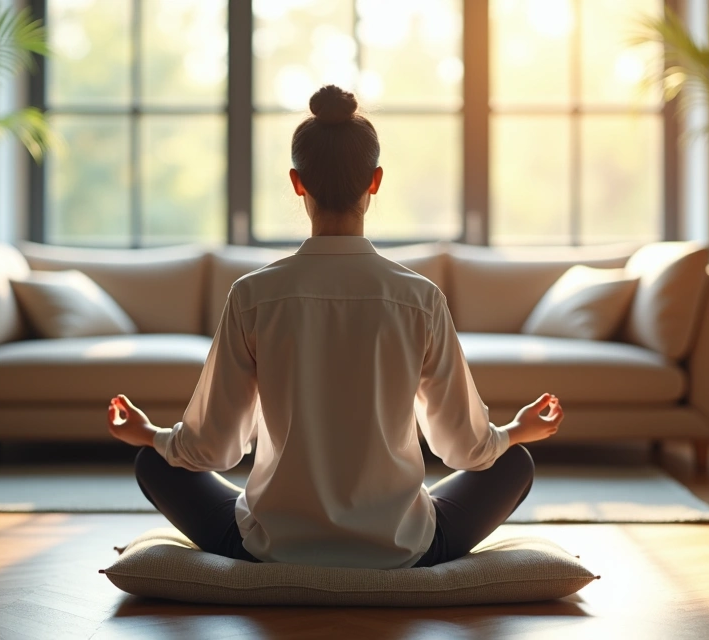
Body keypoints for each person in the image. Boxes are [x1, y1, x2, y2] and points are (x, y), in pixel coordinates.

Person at [107, 85, 564, 570]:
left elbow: (211, 449)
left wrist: (151, 435)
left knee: (156, 462)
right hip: (404, 549)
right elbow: (465, 450)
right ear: (376, 180)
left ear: (297, 182)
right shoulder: (419, 298)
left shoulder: (252, 295)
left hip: (268, 548)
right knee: (513, 463)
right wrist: (516, 431)